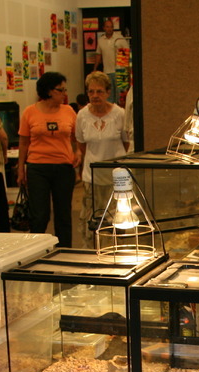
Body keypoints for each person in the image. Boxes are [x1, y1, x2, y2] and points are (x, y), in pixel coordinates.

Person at [17, 72, 80, 243]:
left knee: (63, 214)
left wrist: (78, 152)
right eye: (61, 90)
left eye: (65, 90)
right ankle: (36, 248)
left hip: (63, 167)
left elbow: (77, 137)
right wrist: (21, 169)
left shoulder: (68, 111)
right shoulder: (30, 112)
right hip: (37, 167)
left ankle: (65, 250)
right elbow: (23, 142)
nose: (64, 94)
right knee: (40, 214)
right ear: (49, 91)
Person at [75, 71, 129, 247]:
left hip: (115, 177)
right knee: (91, 219)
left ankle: (115, 250)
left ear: (107, 92)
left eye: (99, 91)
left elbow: (126, 143)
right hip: (91, 177)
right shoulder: (82, 115)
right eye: (91, 92)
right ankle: (91, 252)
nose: (95, 96)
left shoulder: (119, 114)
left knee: (115, 219)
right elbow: (81, 144)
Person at [92, 18, 128, 104]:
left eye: (111, 27)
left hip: (120, 71)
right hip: (107, 72)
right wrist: (95, 69)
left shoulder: (119, 38)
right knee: (109, 96)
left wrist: (126, 69)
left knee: (121, 96)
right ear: (104, 28)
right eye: (107, 27)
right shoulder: (101, 40)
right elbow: (98, 55)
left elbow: (126, 53)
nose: (109, 29)